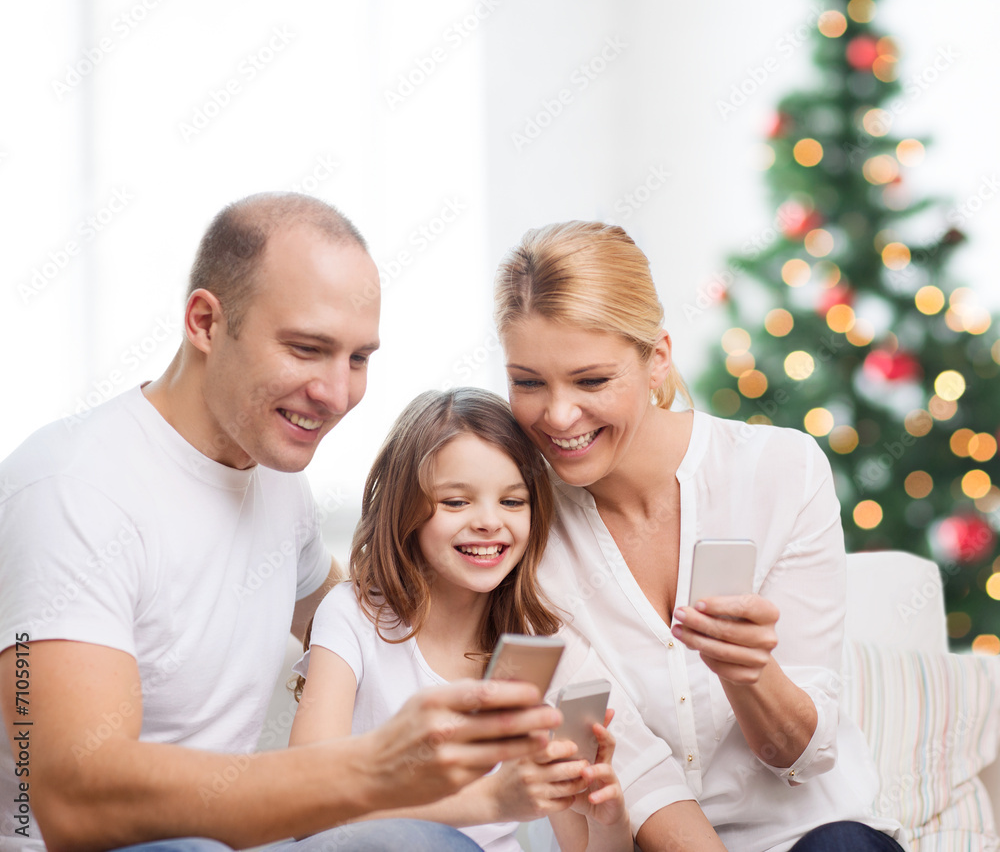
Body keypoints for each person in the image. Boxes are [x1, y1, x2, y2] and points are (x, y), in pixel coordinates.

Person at [0, 193, 562, 852]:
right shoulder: (72, 487)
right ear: (207, 322)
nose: (335, 392)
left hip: (239, 843)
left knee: (425, 841)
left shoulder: (275, 478)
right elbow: (74, 797)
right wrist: (375, 766)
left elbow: (359, 608)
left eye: (357, 358)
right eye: (306, 348)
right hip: (118, 846)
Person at [492, 220, 906, 852]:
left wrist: (748, 675)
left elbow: (803, 754)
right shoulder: (519, 530)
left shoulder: (781, 472)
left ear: (657, 359)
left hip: (811, 835)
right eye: (528, 382)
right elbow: (624, 765)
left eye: (592, 380)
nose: (558, 415)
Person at [289, 387, 633, 852]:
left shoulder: (536, 644)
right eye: (456, 502)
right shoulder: (352, 615)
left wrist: (608, 823)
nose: (490, 522)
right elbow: (307, 806)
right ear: (404, 509)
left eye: (513, 502)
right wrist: (487, 800)